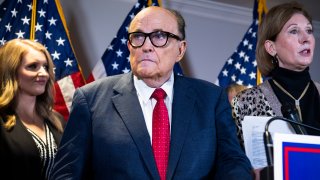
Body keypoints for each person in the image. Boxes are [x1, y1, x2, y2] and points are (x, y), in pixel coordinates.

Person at [50, 6, 253, 179]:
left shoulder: (211, 99)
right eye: (138, 36)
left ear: (180, 50)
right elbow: (65, 173)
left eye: (159, 36)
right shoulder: (90, 99)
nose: (146, 46)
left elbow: (233, 162)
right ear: (129, 46)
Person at [232, 2, 320, 149]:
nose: (306, 38)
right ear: (271, 48)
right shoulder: (246, 102)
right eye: (294, 31)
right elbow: (233, 163)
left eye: (309, 30)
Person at [0, 39, 65, 179]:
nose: (44, 73)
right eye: (33, 66)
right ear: (11, 71)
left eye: (45, 67)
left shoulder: (56, 119)